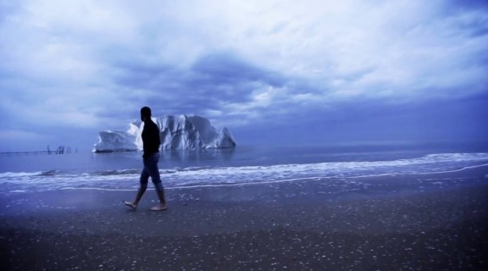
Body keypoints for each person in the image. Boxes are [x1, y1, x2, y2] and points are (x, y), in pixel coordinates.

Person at [124, 106, 167, 211]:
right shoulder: (153, 126)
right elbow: (157, 142)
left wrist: (146, 155)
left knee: (156, 179)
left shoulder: (148, 126)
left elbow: (148, 143)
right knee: (143, 179)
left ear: (143, 115)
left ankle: (163, 203)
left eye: (141, 115)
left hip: (150, 156)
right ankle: (135, 203)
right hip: (153, 155)